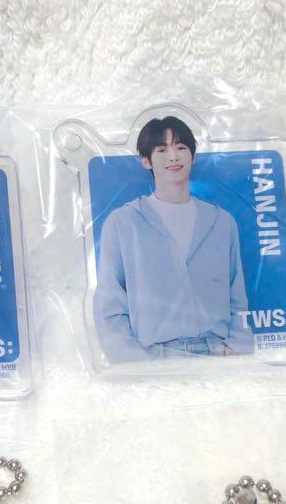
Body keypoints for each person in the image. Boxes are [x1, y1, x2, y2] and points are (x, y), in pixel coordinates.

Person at [93, 115, 253, 361]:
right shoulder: (122, 222)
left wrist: (237, 346)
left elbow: (237, 292)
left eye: (181, 147)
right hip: (156, 358)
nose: (173, 157)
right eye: (161, 150)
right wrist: (134, 360)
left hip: (218, 355)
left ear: (193, 156)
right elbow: (109, 301)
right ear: (146, 160)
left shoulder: (221, 221)